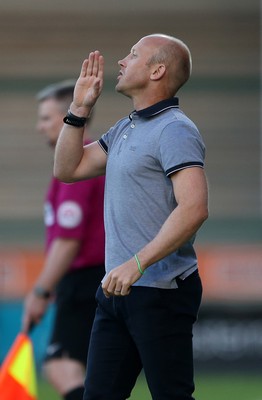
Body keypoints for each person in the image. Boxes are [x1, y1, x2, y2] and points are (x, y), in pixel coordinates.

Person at [54, 34, 209, 400]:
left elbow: (195, 208)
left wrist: (137, 263)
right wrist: (78, 109)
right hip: (116, 290)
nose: (122, 61)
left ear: (157, 70)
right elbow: (67, 168)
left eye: (133, 54)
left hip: (160, 290)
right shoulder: (126, 127)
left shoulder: (175, 129)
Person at [22, 80, 105, 400]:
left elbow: (68, 240)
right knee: (89, 372)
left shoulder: (78, 164)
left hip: (84, 280)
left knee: (60, 365)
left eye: (45, 118)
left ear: (66, 116)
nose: (39, 126)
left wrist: (41, 291)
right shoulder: (87, 158)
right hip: (93, 279)